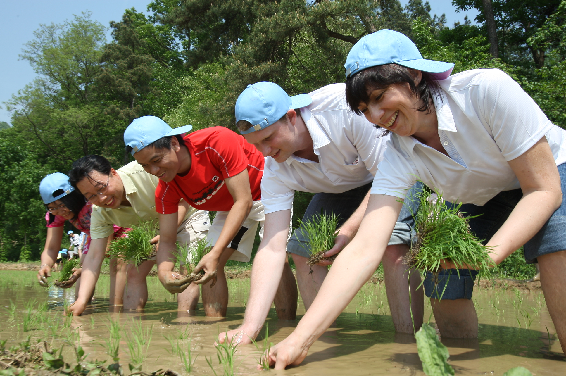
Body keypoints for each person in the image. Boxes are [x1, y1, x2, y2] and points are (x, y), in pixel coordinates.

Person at [266, 29, 566, 369]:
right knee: (440, 274)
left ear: (415, 75)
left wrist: (491, 254)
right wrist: (299, 340)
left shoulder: (485, 91)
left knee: (556, 246)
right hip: (478, 194)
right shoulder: (398, 153)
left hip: (549, 173)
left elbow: (543, 190)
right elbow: (366, 247)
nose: (376, 117)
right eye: (364, 108)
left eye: (380, 97)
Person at [218, 81, 423, 345]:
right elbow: (271, 246)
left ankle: (409, 341)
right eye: (257, 145)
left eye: (268, 138)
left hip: (396, 170)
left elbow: (388, 177)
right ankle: (319, 339)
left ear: (291, 116)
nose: (265, 152)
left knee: (393, 242)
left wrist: (349, 229)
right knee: (303, 250)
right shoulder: (274, 168)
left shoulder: (344, 110)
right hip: (341, 188)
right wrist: (248, 328)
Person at [123, 116, 297, 317]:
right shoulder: (165, 190)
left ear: (173, 143)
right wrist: (163, 274)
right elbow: (168, 240)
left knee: (274, 255)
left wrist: (216, 252)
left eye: (156, 160)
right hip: (233, 206)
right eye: (145, 166)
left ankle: (286, 325)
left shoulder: (215, 142)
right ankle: (213, 328)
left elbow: (244, 201)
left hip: (268, 189)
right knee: (208, 264)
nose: (153, 171)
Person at [67, 155, 211, 316]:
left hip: (187, 215)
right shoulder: (99, 211)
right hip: (153, 227)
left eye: (102, 188)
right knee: (134, 272)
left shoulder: (145, 172)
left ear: (113, 173)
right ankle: (130, 325)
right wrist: (81, 301)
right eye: (91, 196)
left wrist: (166, 234)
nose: (101, 198)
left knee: (188, 270)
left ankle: (184, 324)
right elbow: (94, 257)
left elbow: (184, 197)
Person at [37, 172, 128, 303]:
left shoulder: (92, 205)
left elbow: (106, 247)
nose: (60, 211)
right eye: (53, 207)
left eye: (63, 204)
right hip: (95, 235)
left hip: (120, 228)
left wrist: (84, 269)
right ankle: (80, 308)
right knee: (81, 275)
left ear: (74, 197)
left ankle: (116, 309)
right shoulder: (55, 214)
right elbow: (51, 248)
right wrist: (45, 265)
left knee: (117, 263)